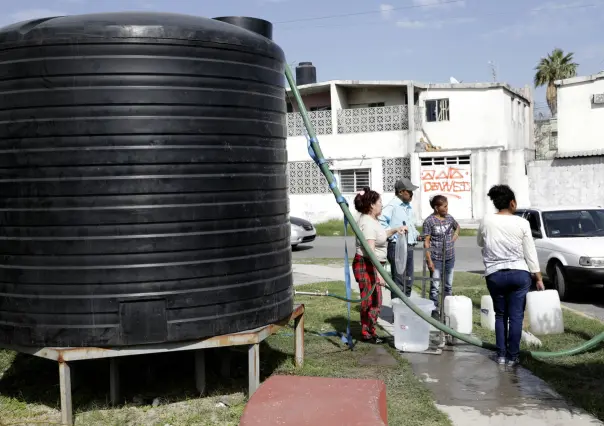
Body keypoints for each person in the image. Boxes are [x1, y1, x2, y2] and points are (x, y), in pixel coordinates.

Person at [477, 184, 545, 367]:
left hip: (495, 275)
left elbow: (479, 242)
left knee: (500, 315)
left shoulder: (486, 220)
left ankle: (500, 355)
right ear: (512, 203)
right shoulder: (522, 223)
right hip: (519, 274)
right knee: (516, 317)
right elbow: (530, 252)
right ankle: (513, 357)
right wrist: (538, 278)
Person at [353, 187, 407, 343]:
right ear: (371, 205)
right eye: (380, 202)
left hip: (372, 264)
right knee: (372, 301)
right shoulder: (368, 224)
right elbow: (371, 252)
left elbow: (380, 236)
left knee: (375, 300)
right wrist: (378, 274)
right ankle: (367, 334)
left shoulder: (372, 220)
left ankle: (370, 330)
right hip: (367, 264)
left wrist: (395, 230)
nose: (382, 205)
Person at [379, 178, 420, 299]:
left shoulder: (408, 207)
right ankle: (397, 311)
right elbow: (381, 222)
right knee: (399, 281)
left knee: (408, 279)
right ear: (401, 192)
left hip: (410, 246)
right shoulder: (392, 206)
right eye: (409, 191)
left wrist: (417, 234)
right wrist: (392, 234)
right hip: (397, 246)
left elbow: (411, 225)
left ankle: (406, 308)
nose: (412, 194)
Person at [423, 195, 459, 315]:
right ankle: (434, 311)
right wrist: (429, 261)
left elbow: (457, 227)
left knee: (448, 286)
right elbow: (426, 242)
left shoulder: (449, 218)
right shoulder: (429, 221)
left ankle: (446, 310)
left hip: (450, 257)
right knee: (435, 287)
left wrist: (454, 237)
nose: (447, 208)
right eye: (444, 206)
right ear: (436, 208)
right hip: (436, 259)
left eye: (447, 205)